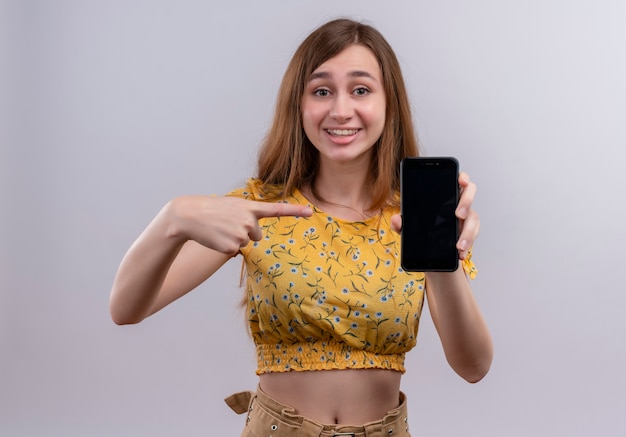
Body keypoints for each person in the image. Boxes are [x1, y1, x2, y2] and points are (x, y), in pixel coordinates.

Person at [110, 18, 493, 436]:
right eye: (322, 91)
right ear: (299, 104)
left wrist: (443, 254)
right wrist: (173, 218)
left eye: (361, 90)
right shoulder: (260, 208)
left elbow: (473, 367)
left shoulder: (417, 219)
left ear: (389, 103)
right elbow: (126, 309)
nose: (340, 110)